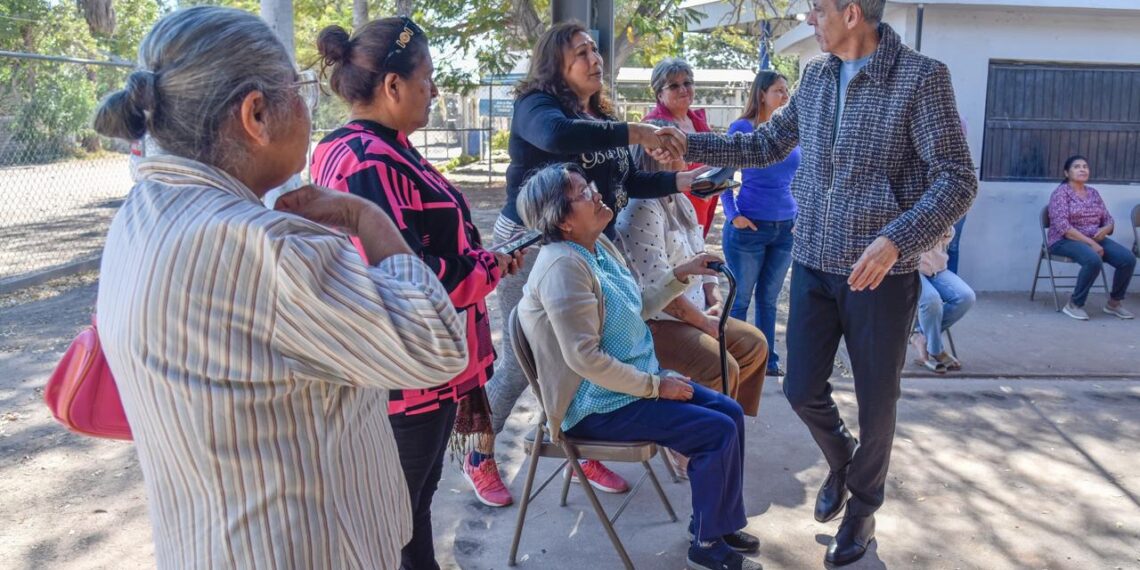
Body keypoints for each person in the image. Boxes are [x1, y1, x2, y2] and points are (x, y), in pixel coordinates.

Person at [92, 7, 469, 569]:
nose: (310, 107)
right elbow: (437, 345)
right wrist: (369, 219)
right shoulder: (265, 249)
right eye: (298, 89)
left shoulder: (140, 215)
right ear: (257, 113)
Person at [672, 0, 977, 564]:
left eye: (816, 10)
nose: (809, 20)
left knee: (876, 398)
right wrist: (683, 144)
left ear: (852, 12)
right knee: (800, 387)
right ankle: (844, 460)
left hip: (880, 274)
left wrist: (897, 239)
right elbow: (763, 145)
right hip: (813, 260)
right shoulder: (815, 76)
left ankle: (862, 510)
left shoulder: (920, 77)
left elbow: (957, 179)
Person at [310, 18, 522, 569]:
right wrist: (489, 266)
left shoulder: (373, 149)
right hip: (408, 373)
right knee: (400, 518)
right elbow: (409, 276)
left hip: (414, 366)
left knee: (411, 510)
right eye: (427, 78)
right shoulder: (369, 159)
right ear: (393, 86)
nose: (434, 90)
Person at [477, 21, 693, 507]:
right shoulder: (537, 106)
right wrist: (640, 130)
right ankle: (479, 452)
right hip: (530, 249)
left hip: (590, 247)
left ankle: (576, 442)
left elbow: (627, 183)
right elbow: (556, 137)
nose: (595, 59)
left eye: (596, 50)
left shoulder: (599, 113)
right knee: (522, 359)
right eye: (582, 52)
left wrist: (686, 184)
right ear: (556, 63)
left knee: (590, 347)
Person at [516, 163, 762, 570]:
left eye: (590, 186)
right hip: (594, 406)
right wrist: (655, 386)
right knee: (714, 431)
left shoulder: (597, 247)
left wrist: (679, 275)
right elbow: (584, 358)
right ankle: (705, 546)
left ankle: (717, 523)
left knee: (729, 412)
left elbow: (635, 308)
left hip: (626, 388)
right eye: (583, 193)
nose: (597, 194)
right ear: (561, 220)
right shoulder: (562, 266)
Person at [722, 70, 801, 378]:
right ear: (762, 94)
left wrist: (801, 215)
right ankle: (737, 361)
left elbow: (806, 177)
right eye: (779, 91)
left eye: (786, 91)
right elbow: (724, 173)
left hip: (785, 229)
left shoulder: (791, 130)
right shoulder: (743, 128)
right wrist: (733, 215)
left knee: (768, 300)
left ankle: (767, 361)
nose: (785, 96)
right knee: (740, 299)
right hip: (749, 229)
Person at [638, 57, 719, 237]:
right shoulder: (652, 128)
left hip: (701, 209)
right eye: (674, 86)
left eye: (687, 83)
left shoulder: (699, 122)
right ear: (659, 94)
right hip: (668, 216)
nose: (683, 89)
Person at [1047, 155, 1135, 320]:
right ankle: (1074, 304)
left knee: (1127, 259)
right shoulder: (1060, 194)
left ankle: (1114, 303)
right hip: (1064, 240)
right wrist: (1091, 244)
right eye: (1077, 166)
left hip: (1094, 238)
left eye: (1085, 166)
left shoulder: (1093, 193)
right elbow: (1064, 228)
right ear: (1067, 173)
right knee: (1093, 259)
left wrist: (1108, 227)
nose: (1082, 169)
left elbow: (1107, 218)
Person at [910, 226, 975, 372]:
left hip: (938, 268)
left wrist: (946, 230)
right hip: (911, 270)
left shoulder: (937, 206)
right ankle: (936, 350)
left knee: (966, 296)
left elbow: (948, 238)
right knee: (932, 300)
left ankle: (921, 336)